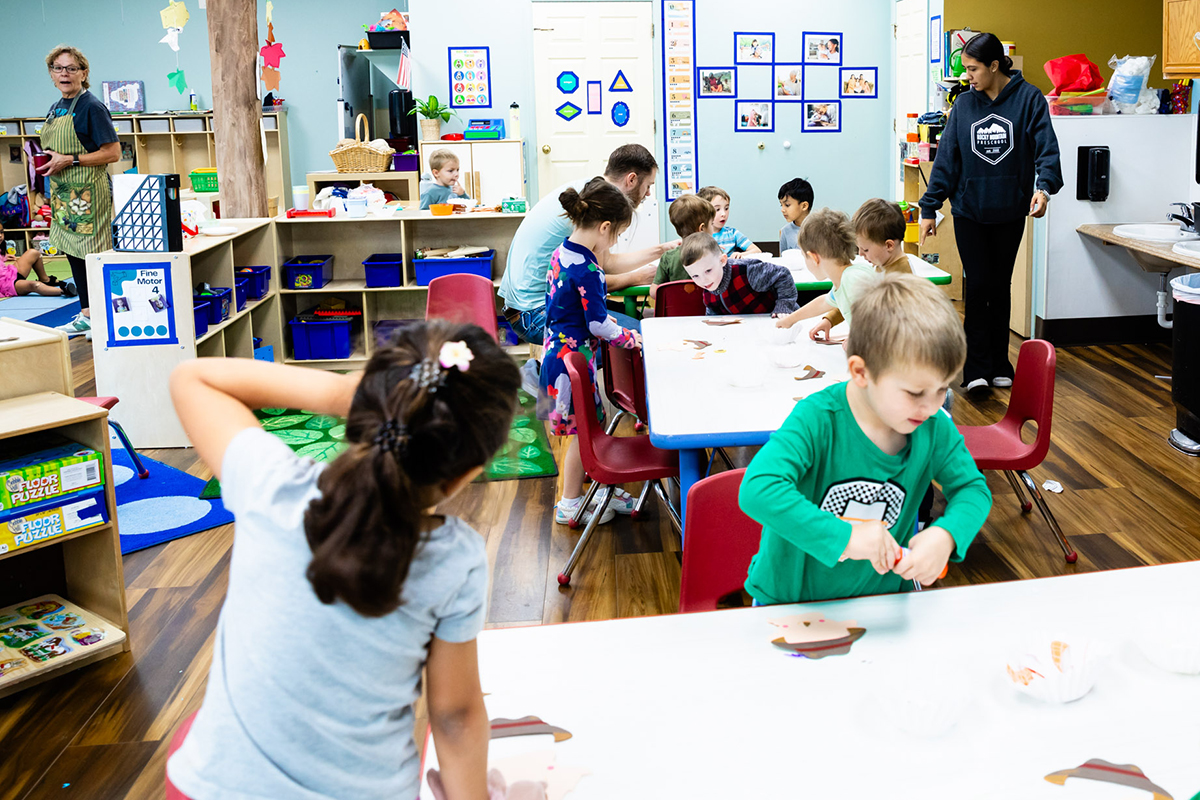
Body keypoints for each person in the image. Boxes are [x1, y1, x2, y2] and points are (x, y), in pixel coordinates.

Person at [164, 320, 520, 799]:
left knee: (193, 730)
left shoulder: (273, 486)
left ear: (365, 412)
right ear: (466, 475)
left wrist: (347, 393)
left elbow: (192, 377)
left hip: (207, 788)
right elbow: (455, 717)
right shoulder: (455, 561)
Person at [740, 273, 992, 604]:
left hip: (883, 601)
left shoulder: (933, 426)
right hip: (791, 601)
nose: (932, 407)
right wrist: (845, 538)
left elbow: (972, 489)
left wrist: (946, 535)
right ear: (861, 372)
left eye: (942, 388)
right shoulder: (819, 419)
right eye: (915, 392)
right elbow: (759, 489)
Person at [918, 32, 1063, 393]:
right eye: (966, 69)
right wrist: (929, 207)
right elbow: (947, 159)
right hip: (969, 211)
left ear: (994, 65)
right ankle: (976, 368)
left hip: (1010, 211)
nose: (968, 76)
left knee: (999, 287)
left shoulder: (1028, 99)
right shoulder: (964, 105)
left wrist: (1043, 189)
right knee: (979, 284)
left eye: (973, 69)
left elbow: (1047, 148)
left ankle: (1000, 363)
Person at [499, 144, 677, 348]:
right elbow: (595, 277)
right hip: (534, 313)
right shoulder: (595, 206)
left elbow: (605, 263)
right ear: (631, 179)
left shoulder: (591, 194)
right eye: (648, 186)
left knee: (636, 322)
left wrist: (661, 250)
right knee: (642, 338)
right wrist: (638, 276)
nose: (647, 194)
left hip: (529, 306)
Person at [538, 178, 642, 525]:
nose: (613, 244)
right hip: (572, 364)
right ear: (605, 227)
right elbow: (598, 324)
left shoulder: (562, 251)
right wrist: (631, 338)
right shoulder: (588, 269)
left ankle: (593, 489)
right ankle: (570, 503)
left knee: (586, 428)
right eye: (616, 236)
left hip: (558, 355)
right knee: (583, 433)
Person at [35, 46, 120, 340]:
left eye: (71, 68)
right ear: (51, 74)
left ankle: (102, 317)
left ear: (84, 73)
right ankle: (87, 314)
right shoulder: (56, 106)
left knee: (92, 256)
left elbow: (113, 153)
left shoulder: (91, 107)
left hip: (87, 192)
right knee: (72, 252)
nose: (64, 74)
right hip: (63, 192)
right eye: (58, 68)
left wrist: (69, 160)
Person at [807, 199, 917, 343]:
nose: (860, 254)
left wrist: (859, 340)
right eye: (858, 248)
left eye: (865, 249)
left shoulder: (900, 278)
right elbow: (855, 299)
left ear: (889, 245)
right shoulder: (882, 265)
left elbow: (890, 326)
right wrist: (830, 319)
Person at [774, 208, 875, 336]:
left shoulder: (853, 280)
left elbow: (881, 318)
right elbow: (823, 302)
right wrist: (790, 320)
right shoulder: (844, 282)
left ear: (814, 257)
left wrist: (857, 339)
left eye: (804, 256)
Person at [681, 232, 798, 317]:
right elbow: (713, 316)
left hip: (783, 321)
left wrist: (784, 306)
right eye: (695, 276)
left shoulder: (746, 271)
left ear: (722, 261)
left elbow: (783, 274)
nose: (703, 280)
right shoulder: (709, 287)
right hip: (752, 331)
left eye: (708, 271)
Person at [649, 193, 715, 304]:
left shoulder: (668, 257)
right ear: (702, 228)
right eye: (712, 224)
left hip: (675, 317)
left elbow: (654, 292)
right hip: (707, 315)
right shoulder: (715, 255)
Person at [698, 185, 761, 257]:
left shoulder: (732, 233)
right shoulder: (697, 236)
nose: (723, 214)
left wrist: (740, 255)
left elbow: (757, 251)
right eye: (717, 210)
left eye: (726, 208)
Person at [0, 245, 77, 299]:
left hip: (9, 274)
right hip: (6, 286)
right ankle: (64, 290)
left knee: (33, 253)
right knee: (35, 285)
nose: (0, 235)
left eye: (1, 232)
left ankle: (45, 279)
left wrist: (4, 256)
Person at [777, 178, 814, 253]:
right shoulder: (785, 232)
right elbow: (784, 259)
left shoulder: (820, 230)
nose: (782, 210)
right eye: (781, 205)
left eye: (787, 205)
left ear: (804, 206)